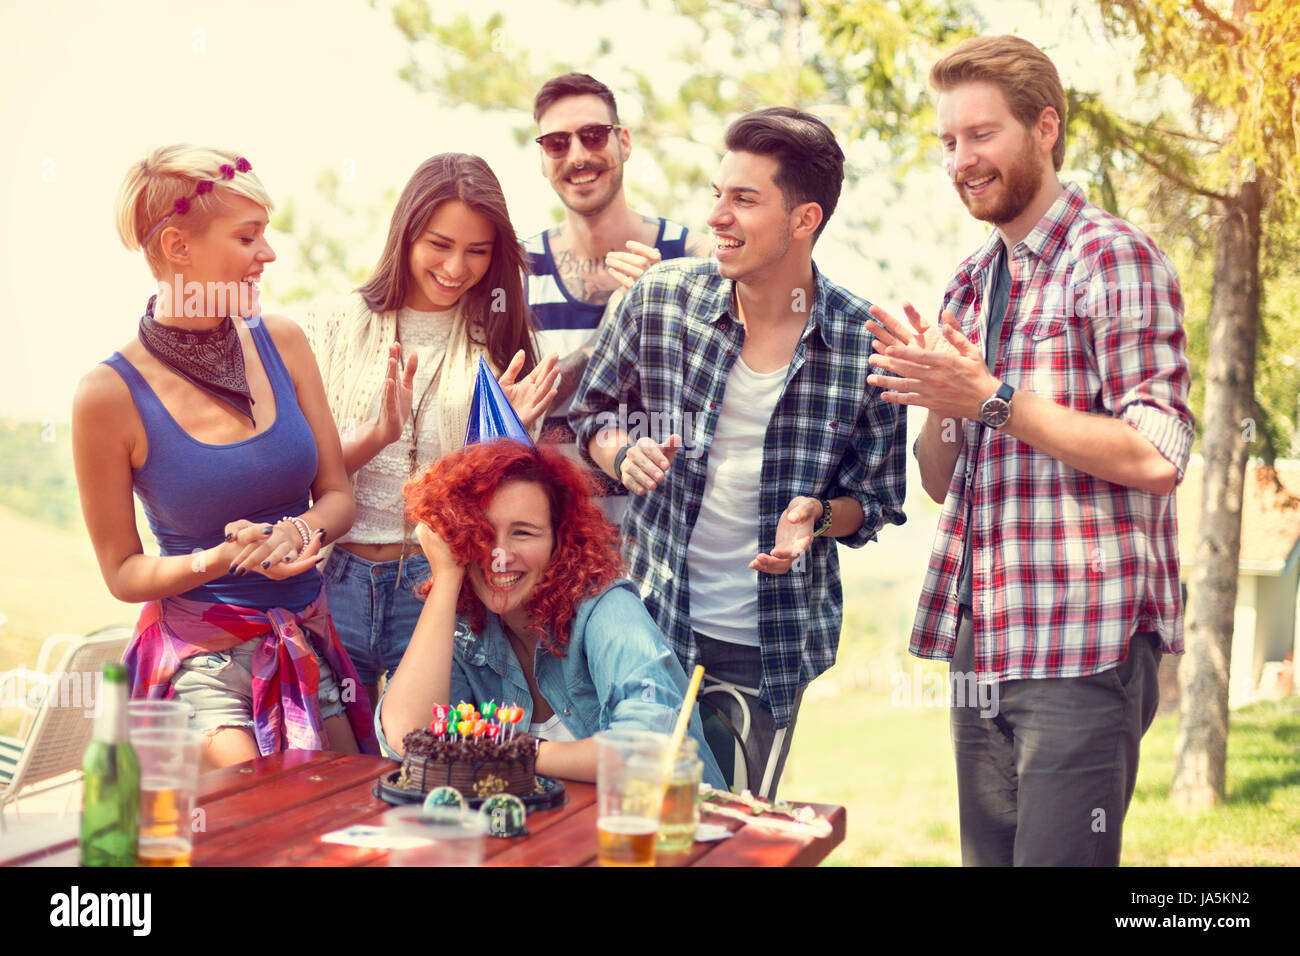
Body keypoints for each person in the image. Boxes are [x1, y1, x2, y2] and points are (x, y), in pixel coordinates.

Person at [866, 35, 1194, 866]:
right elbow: (941, 482)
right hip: (983, 638)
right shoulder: (970, 285)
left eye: (981, 135)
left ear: (1044, 129)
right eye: (947, 141)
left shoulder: (1112, 258)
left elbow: (1158, 454)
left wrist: (991, 398)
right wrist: (936, 395)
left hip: (1084, 646)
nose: (960, 160)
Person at [571, 107, 908, 799]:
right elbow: (587, 414)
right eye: (718, 194)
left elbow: (875, 504)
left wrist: (817, 518)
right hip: (648, 624)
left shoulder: (864, 343)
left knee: (731, 832)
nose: (718, 215)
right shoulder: (659, 300)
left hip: (773, 645)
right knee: (632, 818)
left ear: (804, 218)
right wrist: (618, 454)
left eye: (744, 199)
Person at [74, 145, 375, 771]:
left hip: (309, 643)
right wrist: (217, 559)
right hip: (197, 669)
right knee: (256, 818)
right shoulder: (106, 395)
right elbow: (124, 572)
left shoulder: (285, 342)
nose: (268, 254)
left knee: (349, 821)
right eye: (248, 237)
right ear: (179, 248)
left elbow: (338, 497)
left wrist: (297, 531)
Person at [301, 154, 560, 709]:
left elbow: (508, 501)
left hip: (437, 578)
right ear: (406, 234)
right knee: (331, 762)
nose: (456, 267)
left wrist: (502, 441)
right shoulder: (330, 324)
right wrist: (375, 433)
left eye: (478, 251)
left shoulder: (501, 336)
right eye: (439, 245)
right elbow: (298, 471)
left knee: (431, 755)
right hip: (334, 573)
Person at [376, 439, 726, 789]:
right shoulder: (469, 627)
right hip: (543, 837)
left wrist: (514, 753)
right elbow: (406, 738)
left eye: (523, 533)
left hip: (666, 832)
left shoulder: (606, 609)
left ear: (560, 541)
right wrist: (448, 577)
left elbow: (650, 748)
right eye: (481, 533)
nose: (500, 556)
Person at [524, 73, 713, 524]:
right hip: (551, 543)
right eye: (556, 143)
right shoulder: (518, 271)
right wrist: (617, 322)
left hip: (663, 543)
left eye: (593, 136)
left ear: (623, 142)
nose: (578, 156)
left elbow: (715, 399)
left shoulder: (693, 258)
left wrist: (662, 308)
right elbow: (510, 409)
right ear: (543, 159)